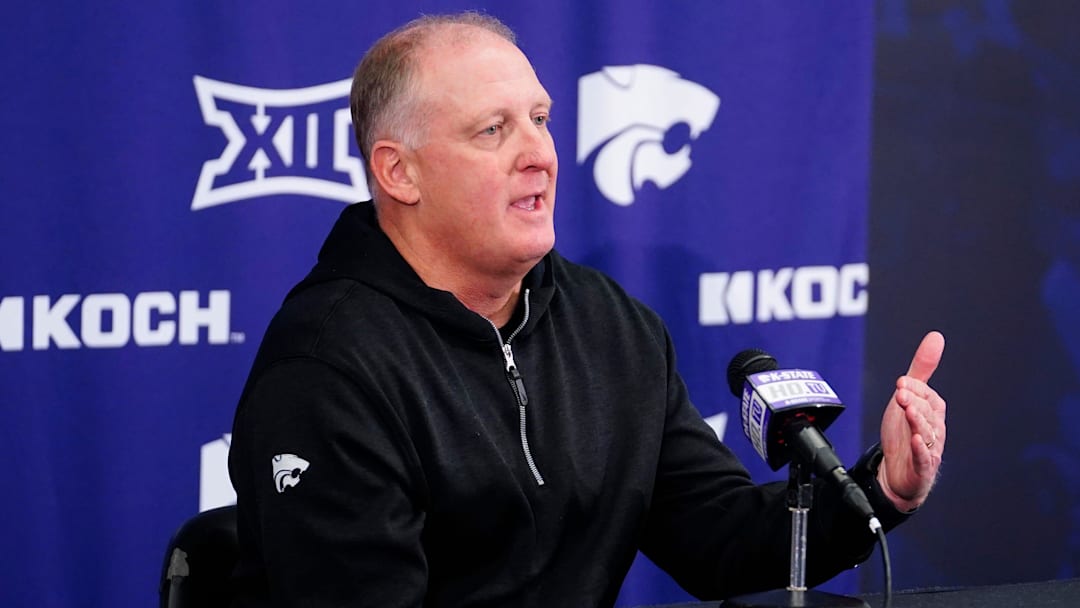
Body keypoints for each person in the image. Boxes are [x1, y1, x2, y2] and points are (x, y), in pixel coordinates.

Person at [228, 11, 948, 607]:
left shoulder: (607, 323)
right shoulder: (326, 370)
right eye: (492, 130)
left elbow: (719, 539)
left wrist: (882, 488)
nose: (539, 152)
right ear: (398, 171)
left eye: (539, 118)